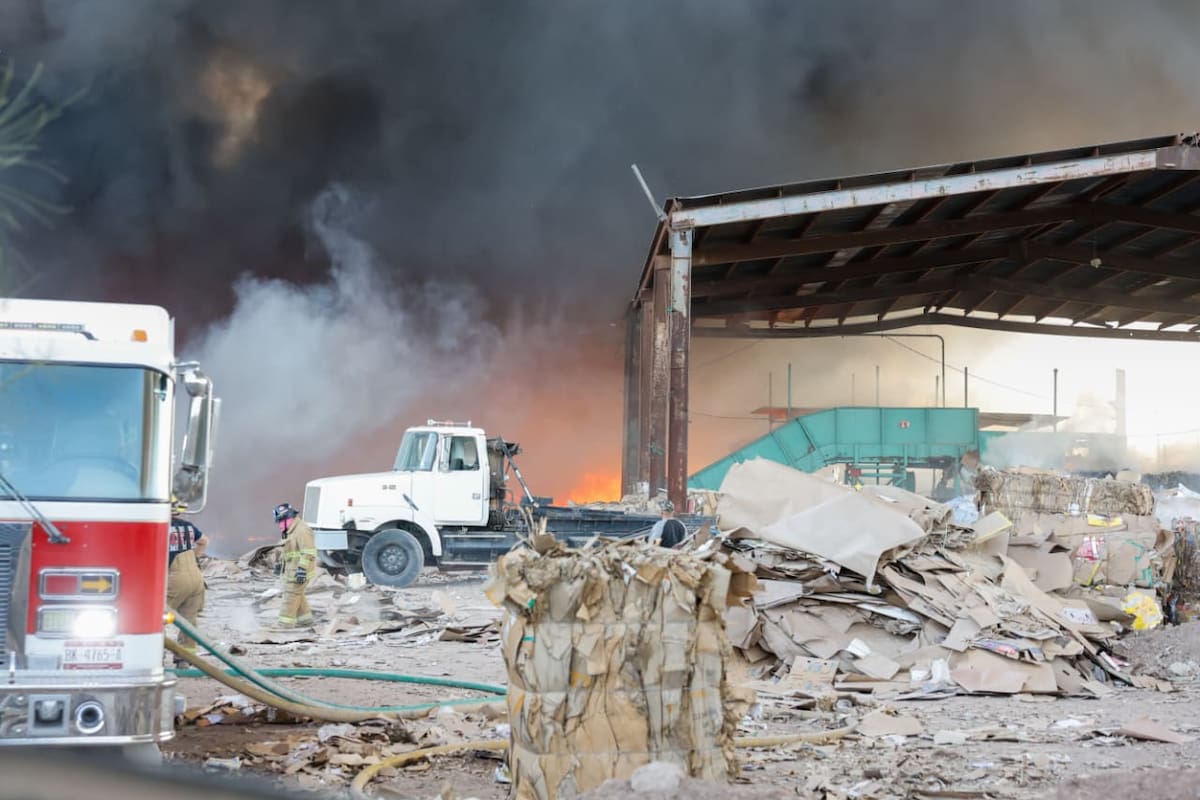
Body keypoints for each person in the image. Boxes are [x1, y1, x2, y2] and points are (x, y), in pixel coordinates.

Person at [166, 495, 207, 663]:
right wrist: (194, 558)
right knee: (189, 620)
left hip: (175, 578)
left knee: (155, 617)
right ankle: (185, 658)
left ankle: (153, 656)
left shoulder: (161, 526)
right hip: (196, 578)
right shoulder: (188, 526)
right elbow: (204, 541)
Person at [274, 502, 318, 629]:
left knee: (291, 596)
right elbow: (289, 551)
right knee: (298, 595)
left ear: (289, 518)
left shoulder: (302, 530)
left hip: (299, 571)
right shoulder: (291, 531)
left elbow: (309, 552)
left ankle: (284, 624)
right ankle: (305, 620)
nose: (280, 525)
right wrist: (279, 564)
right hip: (291, 570)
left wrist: (302, 570)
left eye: (281, 521)